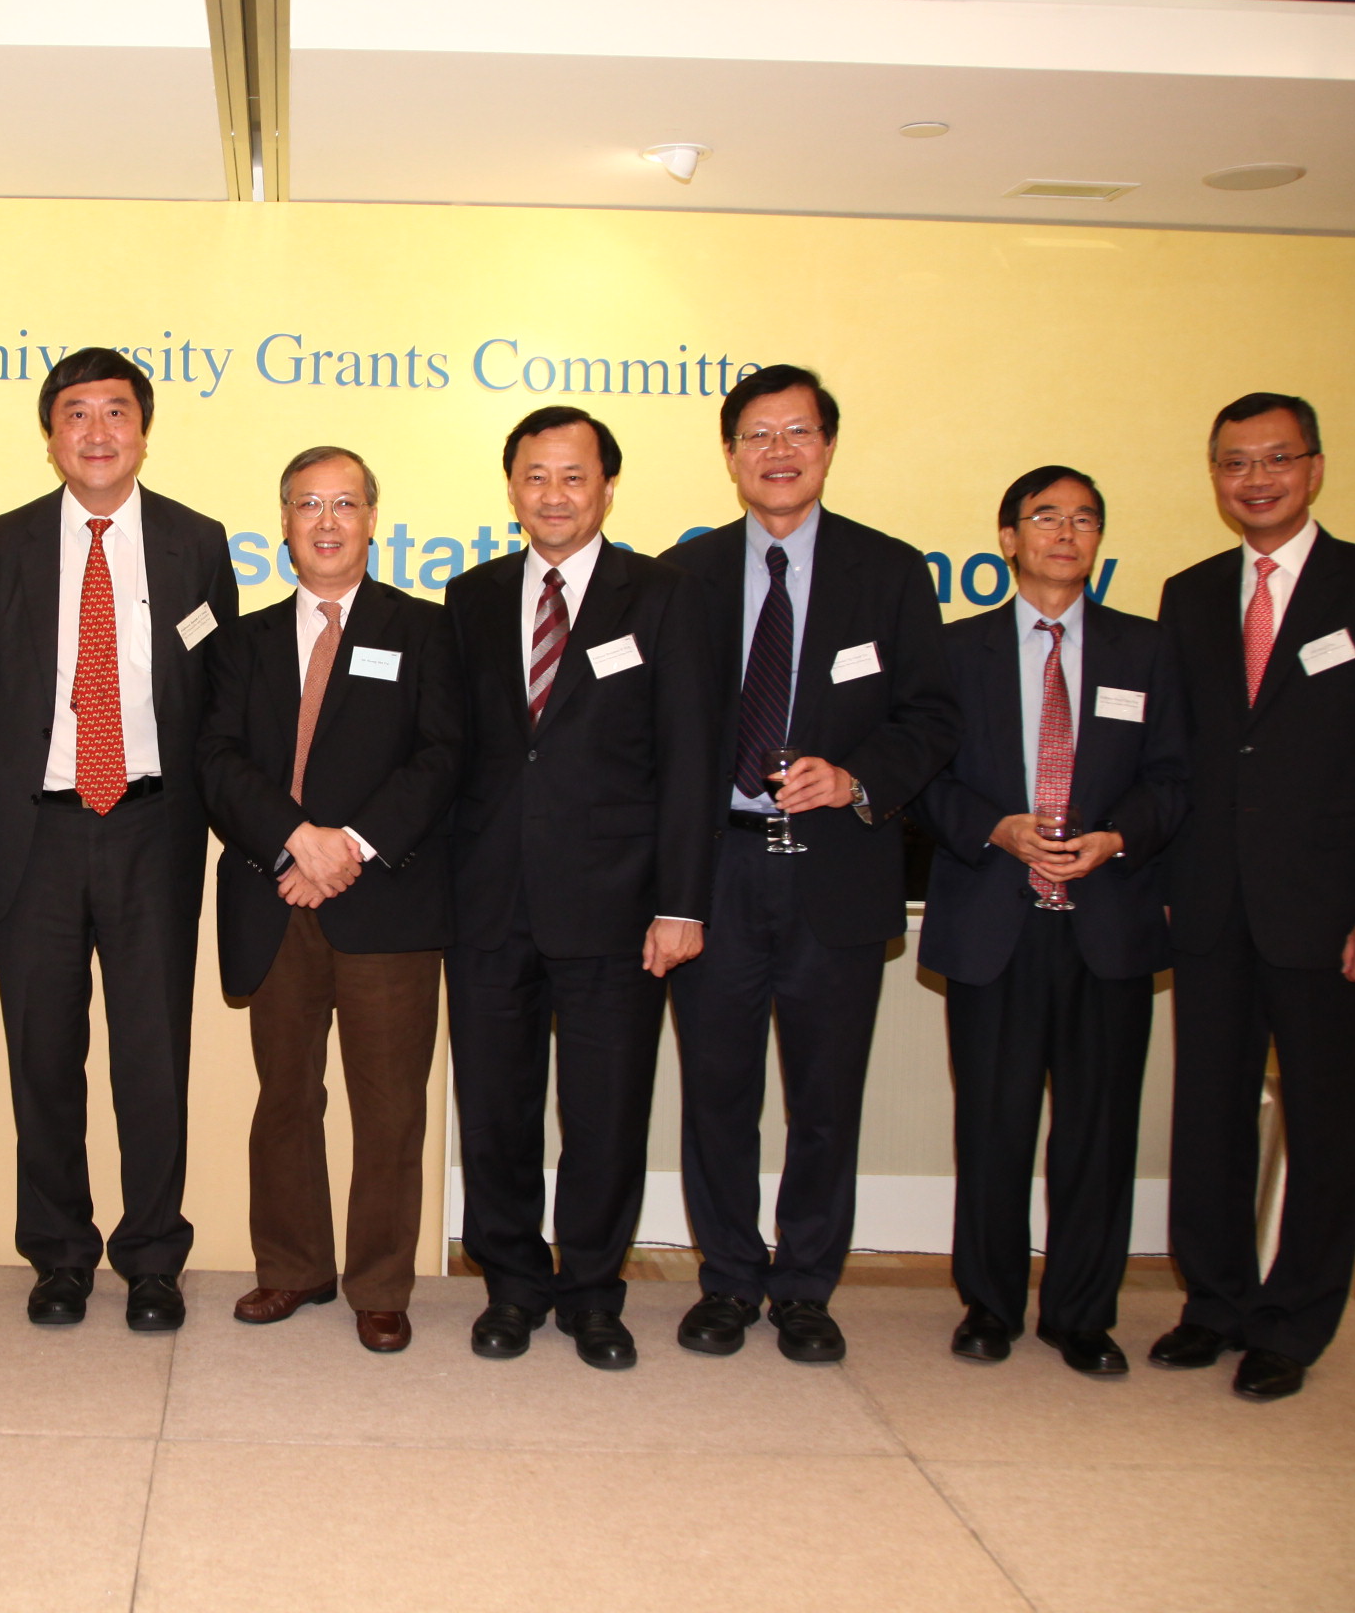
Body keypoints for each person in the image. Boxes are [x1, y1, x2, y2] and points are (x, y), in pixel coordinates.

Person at [659, 364, 958, 1366]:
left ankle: (805, 1286)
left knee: (826, 1097)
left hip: (836, 868)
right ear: (732, 454)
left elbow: (932, 717)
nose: (777, 451)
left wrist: (858, 775)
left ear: (828, 447)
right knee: (719, 1091)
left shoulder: (889, 571)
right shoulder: (682, 577)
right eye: (756, 434)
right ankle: (730, 1278)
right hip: (719, 871)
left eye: (796, 433)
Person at [1150, 392, 1355, 1401]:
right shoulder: (1189, 595)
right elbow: (1178, 760)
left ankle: (1295, 1318)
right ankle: (1214, 1300)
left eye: (1276, 458)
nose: (1256, 478)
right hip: (1211, 905)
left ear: (1315, 468)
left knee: (1321, 1120)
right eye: (1235, 462)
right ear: (1216, 475)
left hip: (1332, 912)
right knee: (1210, 1112)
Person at [0, 347, 238, 1332]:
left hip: (154, 829)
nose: (96, 431)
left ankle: (153, 1252)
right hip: (34, 832)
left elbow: (214, 688)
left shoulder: (196, 542)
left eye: (114, 411)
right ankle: (60, 1250)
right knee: (42, 1052)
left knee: (152, 1052)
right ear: (51, 433)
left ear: (142, 428)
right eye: (75, 413)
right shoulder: (0, 545)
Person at [445, 406, 714, 1370]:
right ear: (510, 486)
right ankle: (512, 1285)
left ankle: (595, 1293)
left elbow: (690, 760)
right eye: (534, 476)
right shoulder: (469, 596)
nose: (553, 495)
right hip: (487, 904)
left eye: (573, 477)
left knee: (605, 1108)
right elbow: (460, 756)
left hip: (617, 906)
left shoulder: (665, 596)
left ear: (607, 486)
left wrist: (682, 902)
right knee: (496, 1109)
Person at [911, 466, 1186, 1377]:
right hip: (996, 922)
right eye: (1045, 518)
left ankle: (1081, 1313)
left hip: (1108, 925)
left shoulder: (1148, 651)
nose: (1065, 533)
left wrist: (1117, 838)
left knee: (1098, 1134)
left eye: (1084, 519)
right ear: (1007, 538)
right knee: (992, 1127)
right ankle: (987, 1306)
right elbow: (923, 780)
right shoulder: (954, 653)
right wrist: (995, 827)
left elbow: (1177, 780)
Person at [198, 446, 464, 1355]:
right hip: (274, 896)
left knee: (390, 1104)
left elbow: (440, 760)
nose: (325, 520)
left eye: (344, 503)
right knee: (285, 1096)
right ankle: (292, 1267)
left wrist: (346, 846)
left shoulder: (426, 633)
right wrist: (297, 840)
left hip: (384, 901)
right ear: (283, 523)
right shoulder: (245, 642)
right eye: (307, 503)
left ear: (371, 519)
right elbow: (218, 761)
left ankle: (381, 1284)